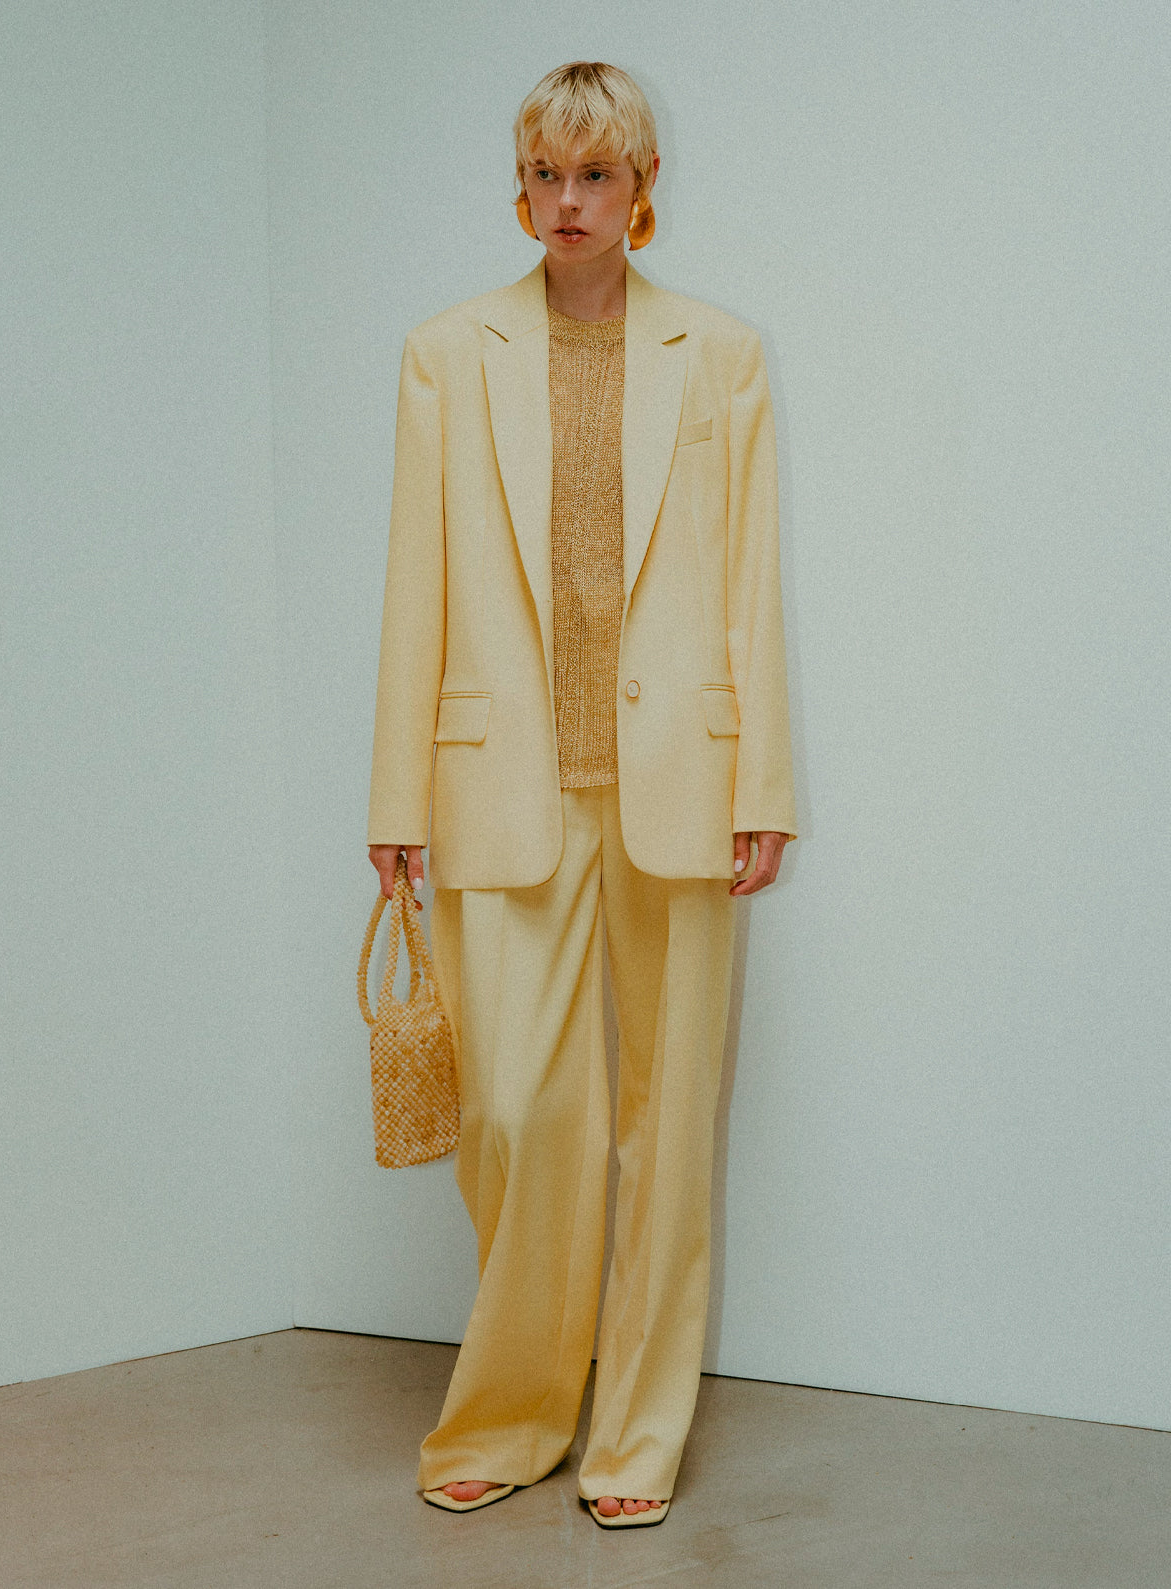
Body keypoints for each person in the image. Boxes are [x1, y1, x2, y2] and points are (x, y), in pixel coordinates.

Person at [366, 60, 796, 1529]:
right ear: (521, 186)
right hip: (504, 779)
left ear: (641, 188)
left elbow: (749, 582)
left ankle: (635, 1440)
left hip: (683, 780)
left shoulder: (721, 353)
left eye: (596, 175)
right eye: (547, 174)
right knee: (518, 1108)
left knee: (668, 1129)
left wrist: (763, 780)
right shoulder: (447, 352)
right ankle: (514, 1410)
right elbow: (413, 583)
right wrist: (396, 800)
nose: (569, 201)